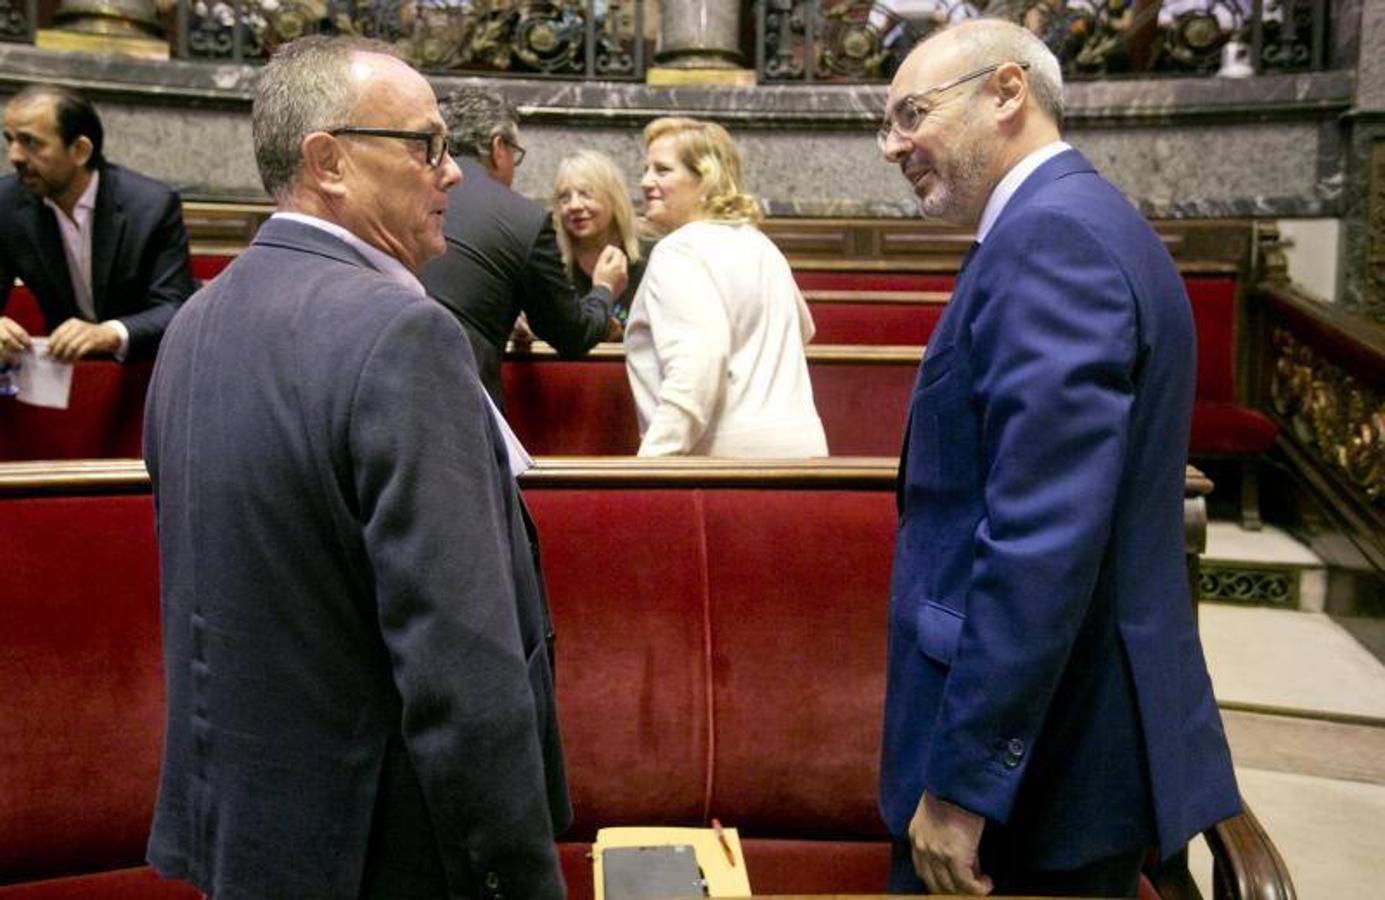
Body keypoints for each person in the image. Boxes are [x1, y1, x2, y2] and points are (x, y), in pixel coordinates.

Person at [144, 36, 569, 899]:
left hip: (251, 831)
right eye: (426, 145)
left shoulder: (197, 317)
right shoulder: (400, 334)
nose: (452, 174)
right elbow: (460, 662)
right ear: (328, 161)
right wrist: (515, 876)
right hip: (382, 851)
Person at [877, 18, 1239, 898]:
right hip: (1060, 751)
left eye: (911, 113)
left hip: (1041, 776)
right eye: (884, 125)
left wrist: (964, 788)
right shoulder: (1072, 220)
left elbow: (1039, 542)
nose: (893, 145)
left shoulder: (1051, 239)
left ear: (1007, 92)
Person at [627, 117, 827, 457]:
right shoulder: (760, 244)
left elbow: (696, 367)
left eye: (662, 170)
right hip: (803, 451)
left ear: (705, 178)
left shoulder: (679, 252)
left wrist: (651, 463)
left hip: (726, 461)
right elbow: (802, 330)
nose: (646, 182)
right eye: (646, 169)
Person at [418, 87, 627, 408]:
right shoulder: (522, 220)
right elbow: (571, 336)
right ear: (498, 147)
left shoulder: (401, 195)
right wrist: (604, 289)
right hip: (459, 403)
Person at [0, 84, 195, 362]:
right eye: (11, 140)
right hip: (64, 373)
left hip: (142, 372)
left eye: (31, 142)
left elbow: (175, 307)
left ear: (80, 150)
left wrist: (111, 333)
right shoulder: (6, 204)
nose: (15, 156)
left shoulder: (150, 207)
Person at [551, 148, 645, 328]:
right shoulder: (552, 265)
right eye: (564, 198)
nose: (574, 206)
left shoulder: (651, 257)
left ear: (614, 198)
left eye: (586, 194)